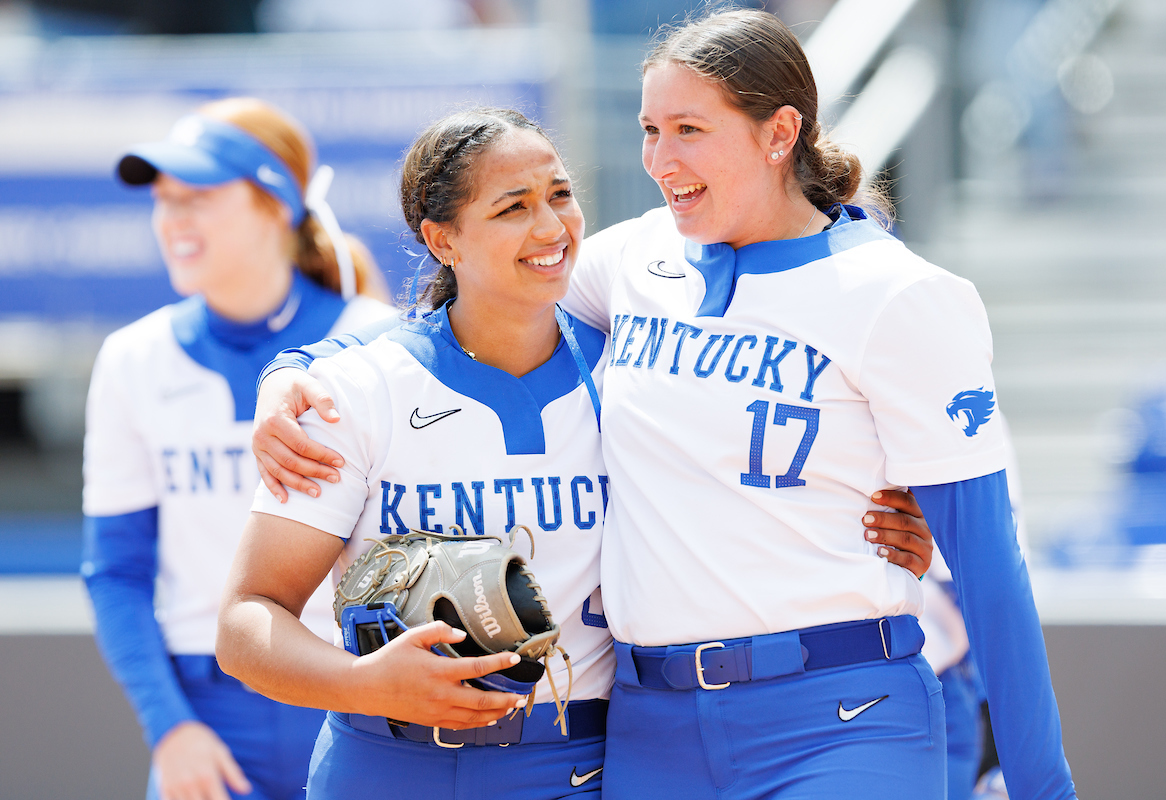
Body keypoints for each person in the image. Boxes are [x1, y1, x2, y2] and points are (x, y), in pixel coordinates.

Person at [250, 9, 1077, 799]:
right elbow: (465, 307)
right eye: (649, 130)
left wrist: (1045, 788)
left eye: (690, 130)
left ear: (779, 134)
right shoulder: (638, 259)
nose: (658, 158)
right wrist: (295, 369)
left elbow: (993, 571)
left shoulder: (898, 294)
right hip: (651, 730)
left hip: (838, 711)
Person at [81, 97, 395, 800]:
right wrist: (170, 730)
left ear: (274, 207)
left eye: (197, 197)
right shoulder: (133, 358)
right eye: (164, 201)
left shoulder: (376, 341)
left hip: (357, 697)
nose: (173, 220)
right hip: (210, 724)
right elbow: (117, 572)